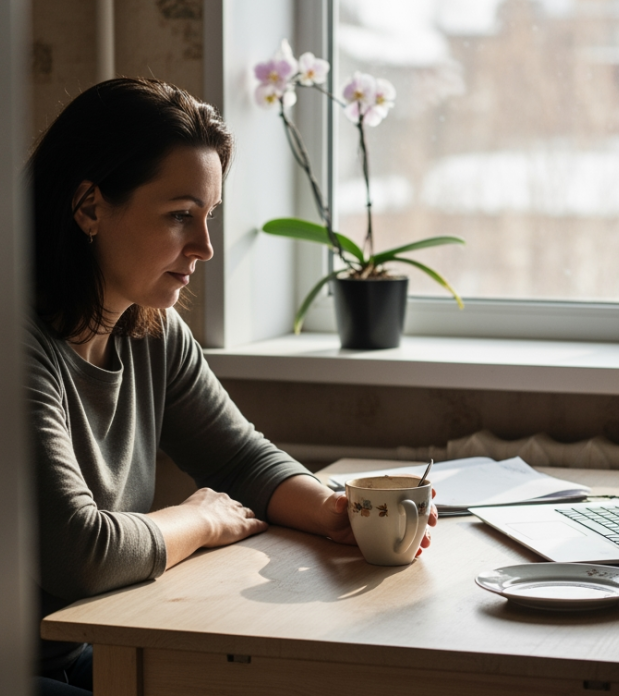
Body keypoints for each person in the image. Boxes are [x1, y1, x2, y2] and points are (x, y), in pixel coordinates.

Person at [26, 78, 436, 695]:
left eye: (208, 215)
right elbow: (82, 554)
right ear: (89, 207)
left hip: (79, 652)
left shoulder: (151, 330)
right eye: (178, 216)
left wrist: (333, 510)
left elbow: (239, 457)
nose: (205, 247)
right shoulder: (5, 347)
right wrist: (200, 521)